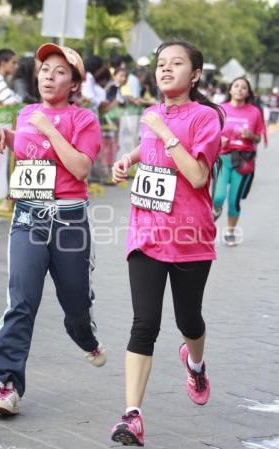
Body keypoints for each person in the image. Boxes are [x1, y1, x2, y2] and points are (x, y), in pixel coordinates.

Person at [110, 39, 223, 446]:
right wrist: (130, 158)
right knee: (145, 324)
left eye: (177, 64)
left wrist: (164, 132)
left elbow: (196, 176)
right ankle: (132, 416)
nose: (165, 69)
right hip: (147, 233)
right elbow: (152, 144)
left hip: (190, 237)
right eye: (161, 63)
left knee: (188, 321)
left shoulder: (206, 118)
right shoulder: (152, 114)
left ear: (194, 75)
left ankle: (195, 362)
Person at [0, 42, 106, 416]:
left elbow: (81, 168)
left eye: (59, 72)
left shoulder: (83, 119)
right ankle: (8, 385)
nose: (49, 77)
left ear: (74, 83)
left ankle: (85, 336)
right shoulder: (26, 113)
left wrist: (48, 130)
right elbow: (29, 155)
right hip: (28, 219)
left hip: (69, 222)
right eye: (44, 70)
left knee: (74, 306)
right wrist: (6, 138)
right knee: (21, 302)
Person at [212, 77, 265, 246]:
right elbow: (212, 133)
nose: (240, 89)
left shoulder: (254, 112)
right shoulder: (221, 109)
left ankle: (230, 232)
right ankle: (216, 210)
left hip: (243, 160)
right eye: (237, 86)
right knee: (218, 197)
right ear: (230, 90)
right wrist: (220, 140)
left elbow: (258, 138)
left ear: (248, 92)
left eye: (244, 87)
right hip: (222, 158)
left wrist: (250, 136)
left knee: (234, 200)